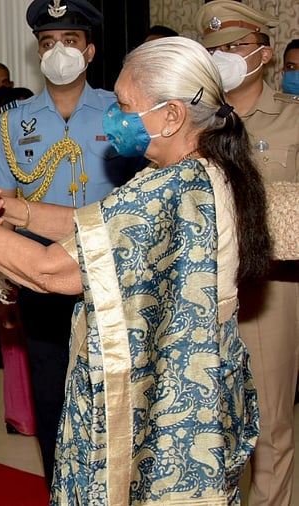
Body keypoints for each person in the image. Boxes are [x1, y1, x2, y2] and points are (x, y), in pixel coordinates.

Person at [0, 35, 269, 505]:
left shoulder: (169, 189)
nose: (115, 117)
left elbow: (49, 272)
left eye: (126, 105)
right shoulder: (197, 170)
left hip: (162, 407)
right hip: (191, 389)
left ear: (172, 115)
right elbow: (94, 226)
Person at [0, 0, 143, 484]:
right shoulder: (12, 122)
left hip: (110, 278)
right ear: (38, 54)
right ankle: (61, 487)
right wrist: (4, 285)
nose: (59, 52)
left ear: (90, 50)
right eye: (48, 43)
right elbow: (3, 212)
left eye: (70, 41)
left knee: (114, 396)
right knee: (52, 394)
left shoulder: (122, 113)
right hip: (41, 277)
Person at [197, 3, 299, 505]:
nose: (225, 58)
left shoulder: (292, 120)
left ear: (265, 52)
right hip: (197, 291)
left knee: (270, 430)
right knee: (201, 429)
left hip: (268, 293)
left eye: (235, 47)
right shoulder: (192, 121)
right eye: (213, 50)